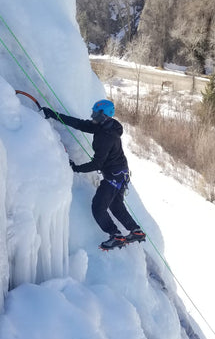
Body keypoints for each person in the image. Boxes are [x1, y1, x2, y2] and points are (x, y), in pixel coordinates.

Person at [41, 99, 146, 249]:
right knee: (116, 205)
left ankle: (115, 235)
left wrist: (76, 168)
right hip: (120, 174)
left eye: (95, 113)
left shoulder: (106, 137)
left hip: (114, 175)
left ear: (103, 115)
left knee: (98, 207)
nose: (92, 116)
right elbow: (79, 124)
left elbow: (97, 164)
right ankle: (136, 231)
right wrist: (53, 114)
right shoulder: (105, 127)